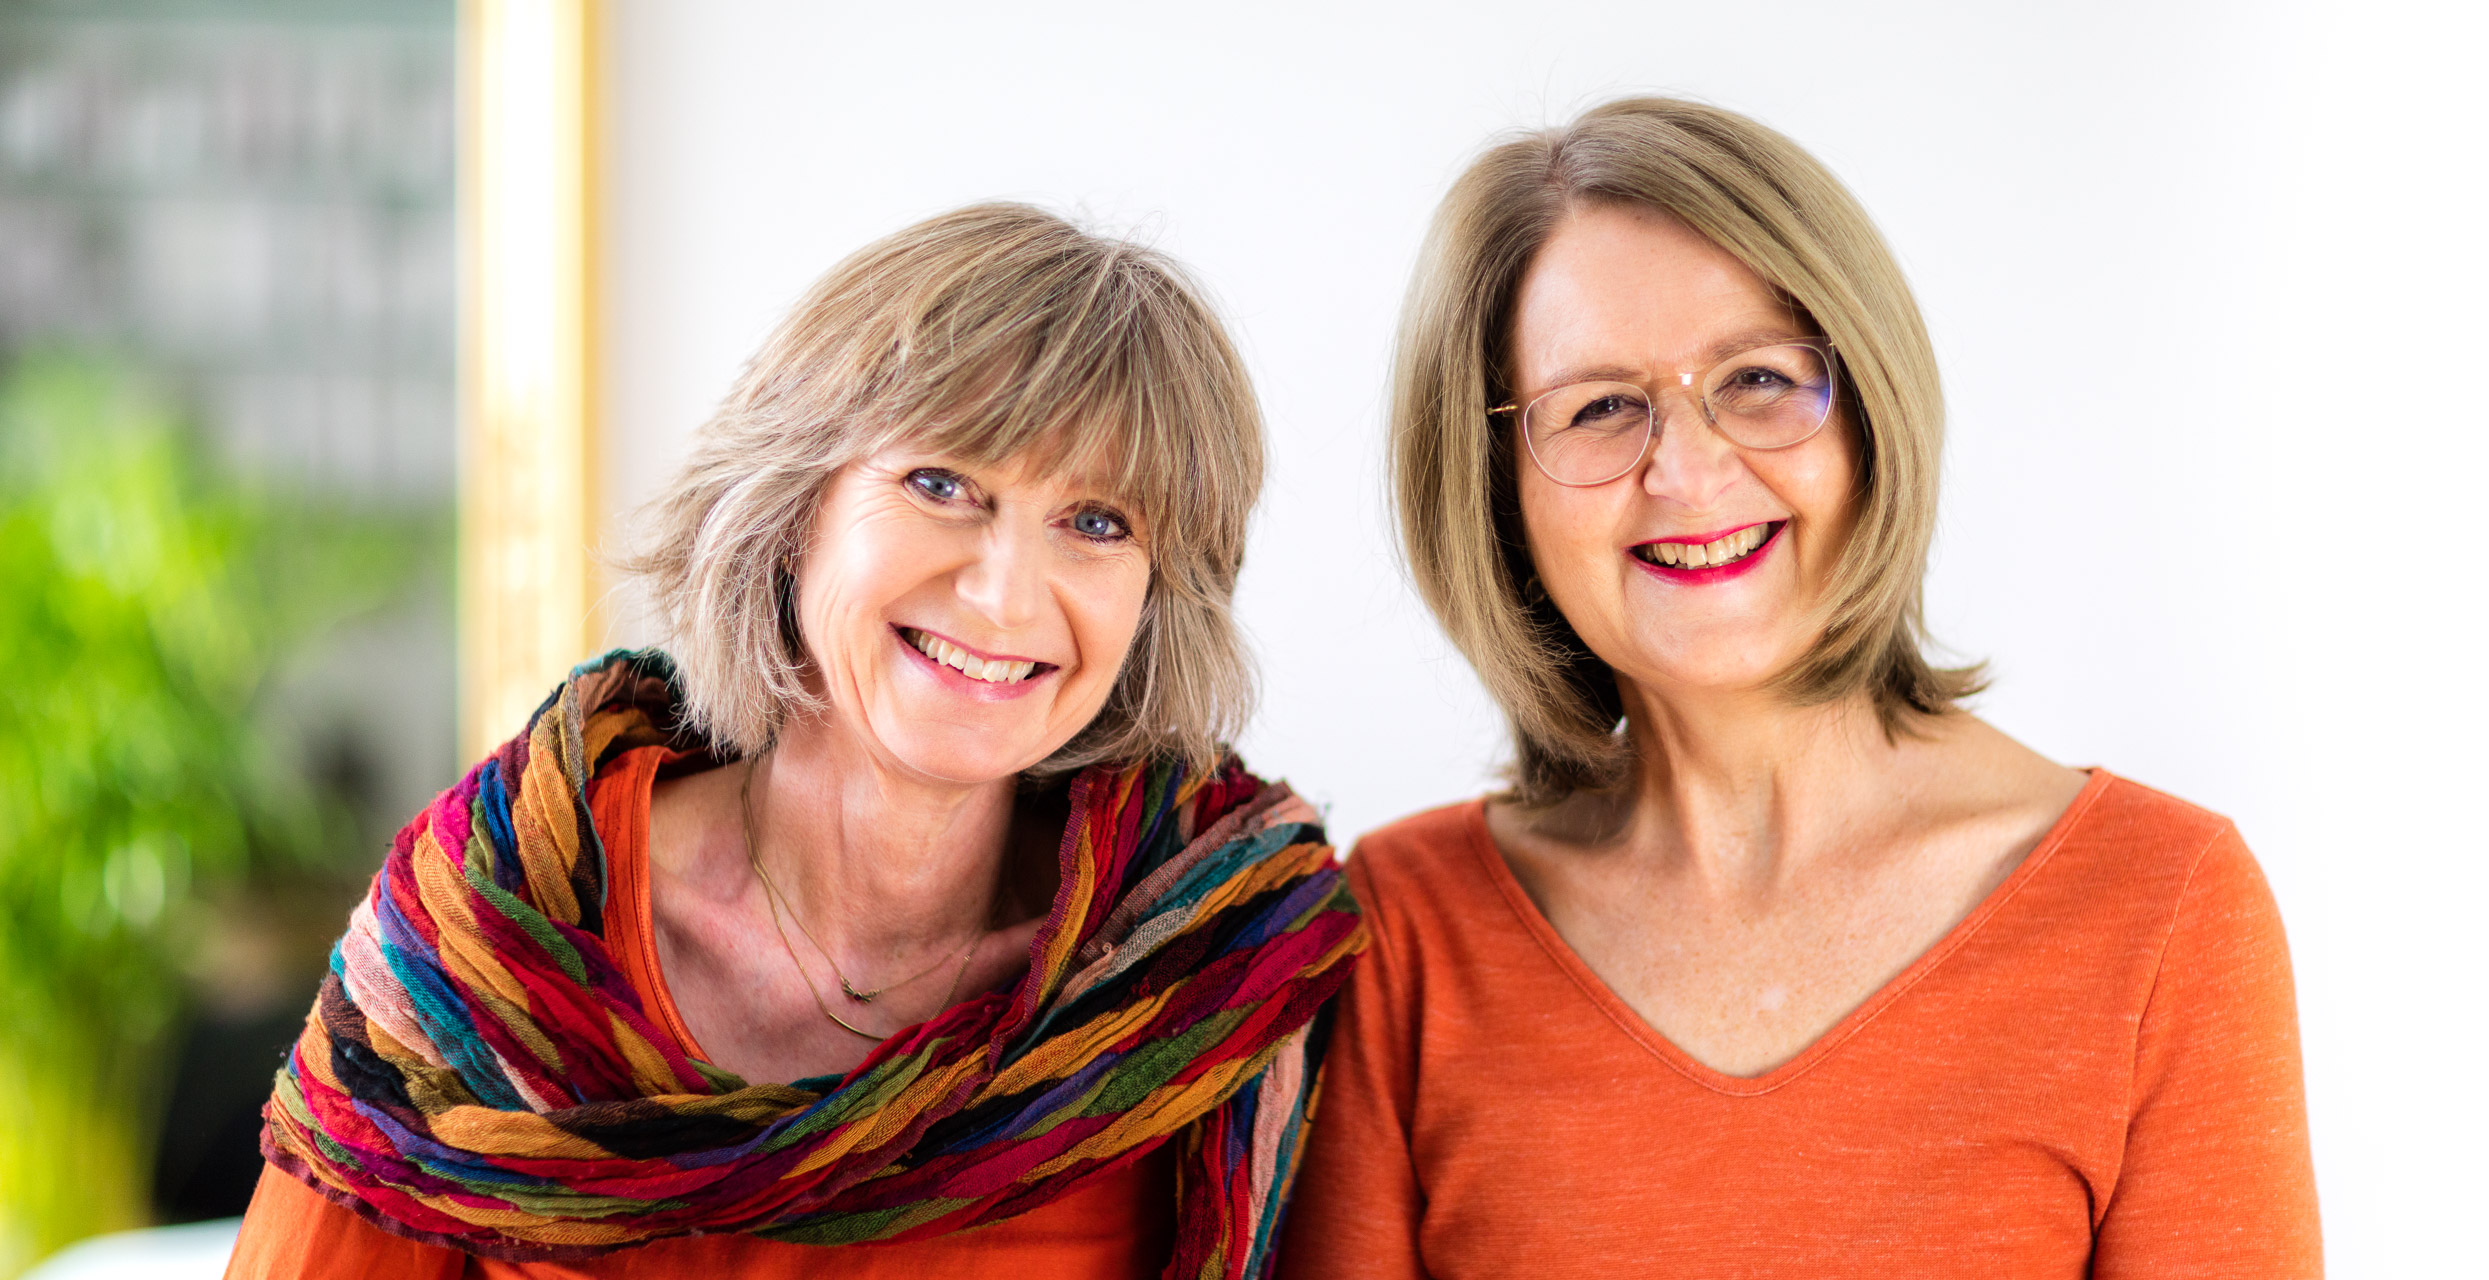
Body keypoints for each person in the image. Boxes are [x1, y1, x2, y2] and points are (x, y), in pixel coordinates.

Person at [1279, 98, 2319, 1277]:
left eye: (1758, 378)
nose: (1688, 471)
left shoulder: (2161, 906)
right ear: (1493, 489)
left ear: (1870, 413)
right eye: (1600, 406)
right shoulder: (1406, 925)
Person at [227, 204, 1364, 1280]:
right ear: (793, 508)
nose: (1007, 595)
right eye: (942, 483)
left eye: (1097, 522)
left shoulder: (1209, 962)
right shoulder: (494, 923)